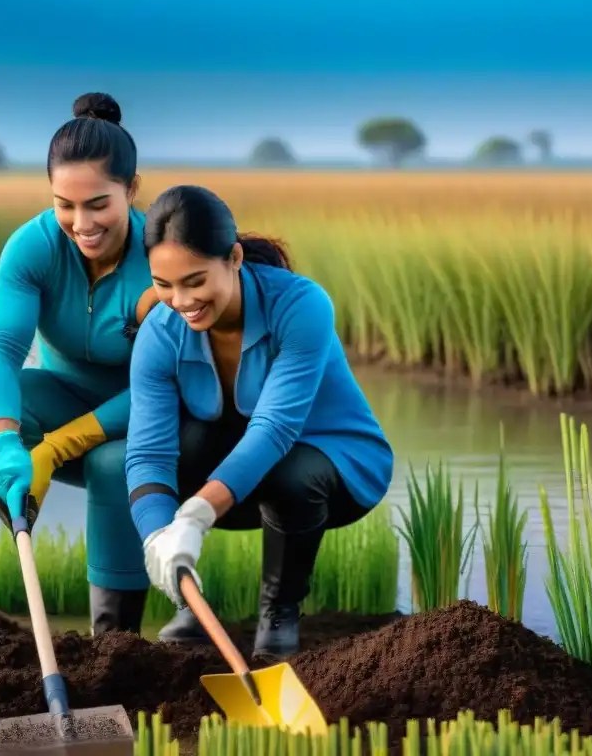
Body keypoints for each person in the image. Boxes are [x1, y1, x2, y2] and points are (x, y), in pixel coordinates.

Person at [123, 184, 394, 659]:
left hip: (333, 469)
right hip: (239, 477)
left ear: (233, 258)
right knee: (181, 446)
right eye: (163, 285)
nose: (181, 300)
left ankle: (279, 613)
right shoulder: (160, 333)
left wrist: (196, 514)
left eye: (194, 280)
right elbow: (147, 453)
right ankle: (188, 598)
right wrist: (161, 538)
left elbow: (274, 429)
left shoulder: (302, 305)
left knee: (292, 471)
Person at [0, 92, 159, 636]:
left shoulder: (163, 255)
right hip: (67, 397)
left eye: (98, 204)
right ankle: (21, 519)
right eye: (63, 204)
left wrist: (56, 446)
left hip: (155, 417)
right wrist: (7, 444)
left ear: (131, 189)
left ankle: (115, 643)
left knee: (111, 462)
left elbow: (161, 386)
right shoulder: (33, 248)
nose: (80, 222)